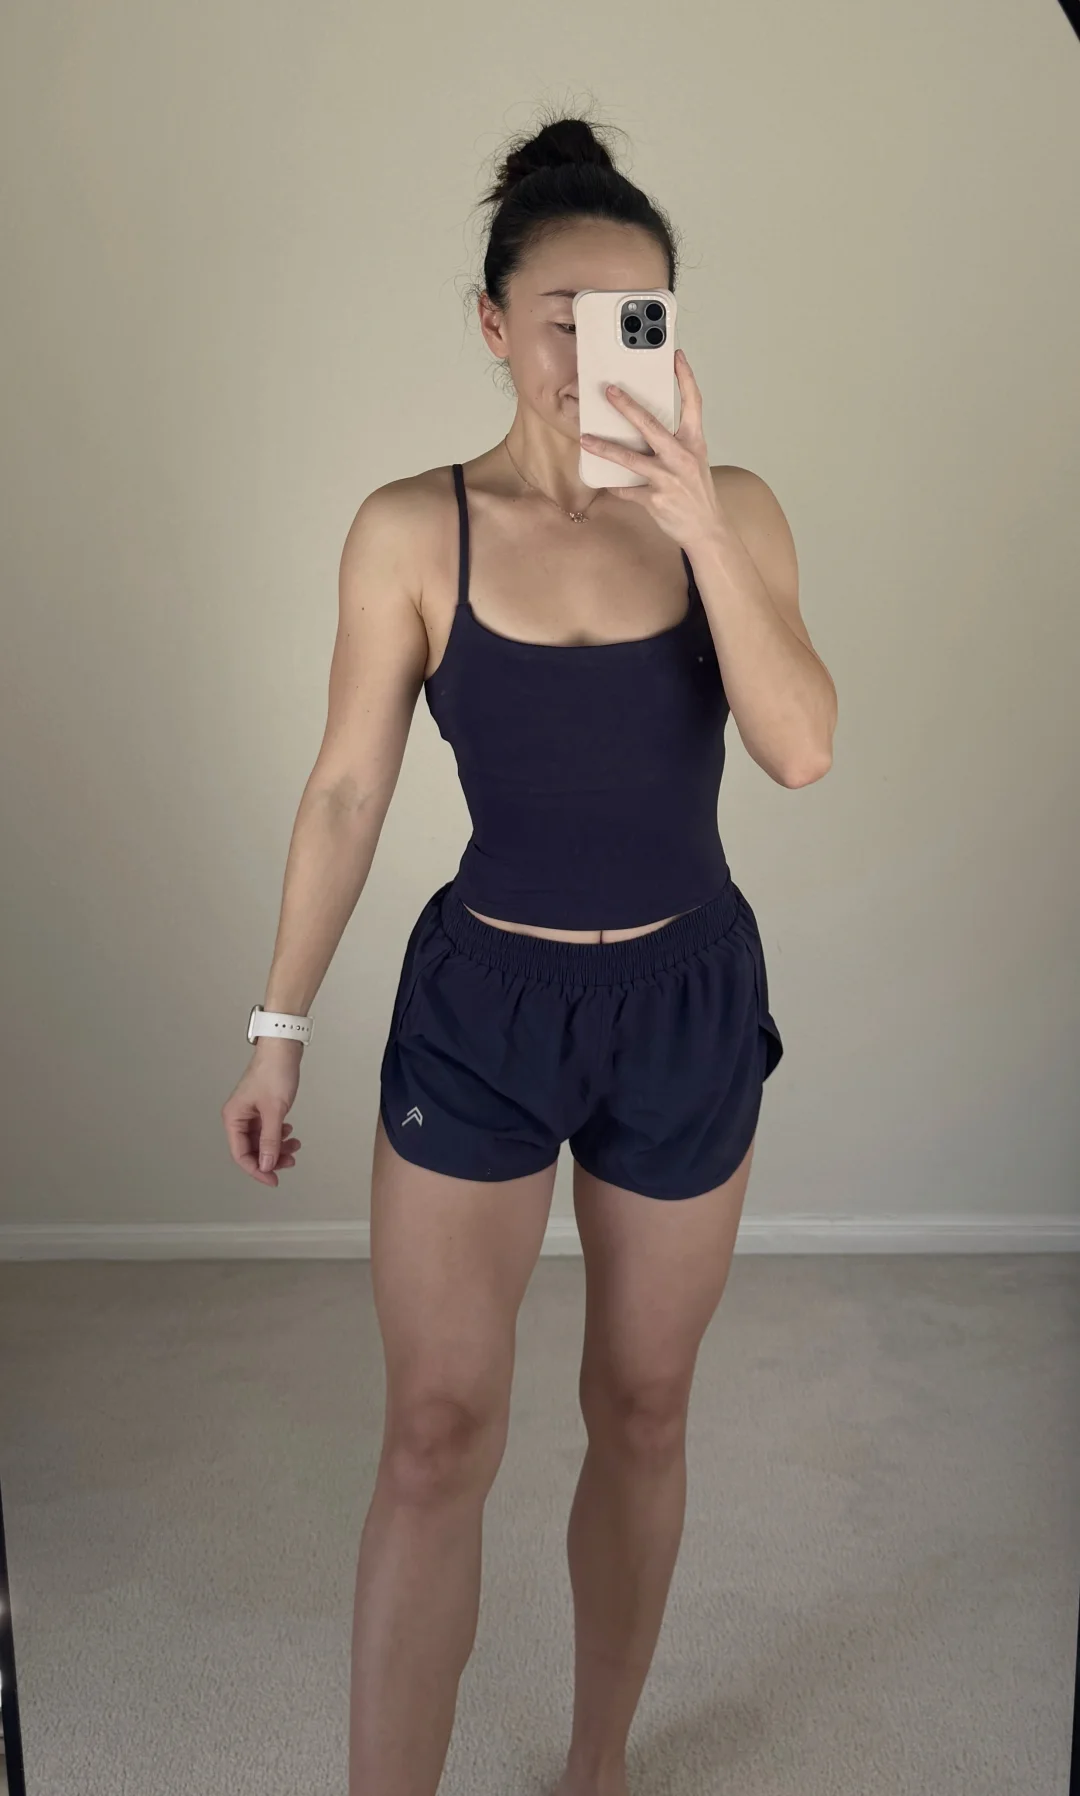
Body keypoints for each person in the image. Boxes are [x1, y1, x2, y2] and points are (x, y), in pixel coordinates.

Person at [222, 112, 836, 1796]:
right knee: (436, 1433)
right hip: (485, 1006)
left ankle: (596, 1766)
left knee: (643, 1409)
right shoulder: (411, 530)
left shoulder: (735, 511)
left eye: (632, 318)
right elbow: (347, 790)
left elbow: (801, 748)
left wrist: (699, 519)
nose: (589, 354)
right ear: (493, 324)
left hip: (686, 1002)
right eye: (559, 317)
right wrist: (278, 1025)